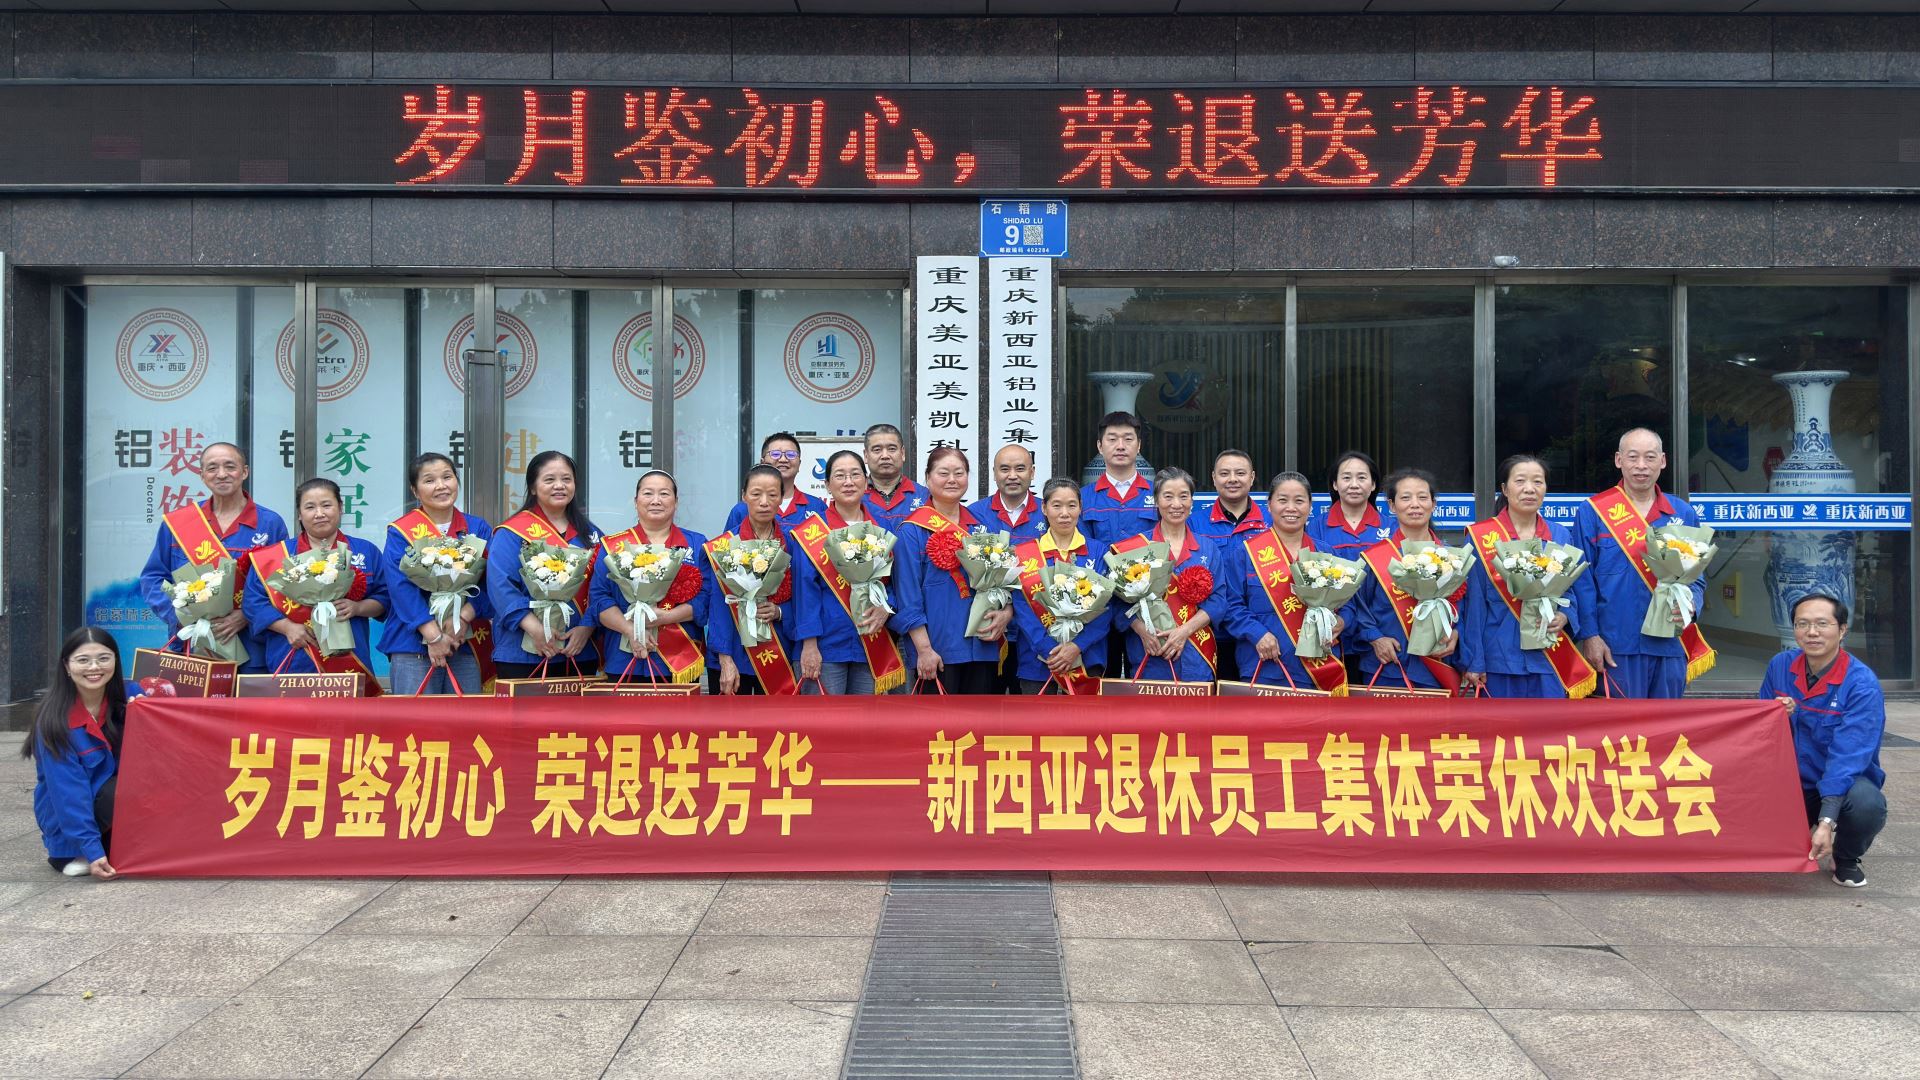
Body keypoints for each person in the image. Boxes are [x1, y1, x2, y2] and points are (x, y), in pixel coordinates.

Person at [1571, 427, 1714, 698]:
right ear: (1618, 460)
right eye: (1633, 457)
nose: (1641, 465)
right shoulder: (1593, 512)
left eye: (1650, 457)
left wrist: (1692, 604)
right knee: (1619, 724)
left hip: (1670, 643)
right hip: (1615, 645)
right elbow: (1582, 580)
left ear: (1663, 461)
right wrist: (1589, 635)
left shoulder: (1682, 513)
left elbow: (1696, 575)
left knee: (1666, 722)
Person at [1760, 593, 1890, 887]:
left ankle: (1845, 857)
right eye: (1802, 624)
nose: (1812, 632)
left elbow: (1848, 758)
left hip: (1841, 784)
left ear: (1842, 630)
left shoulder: (1861, 684)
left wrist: (1826, 822)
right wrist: (1776, 715)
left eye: (1822, 623)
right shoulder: (1780, 665)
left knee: (1867, 805)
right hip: (1790, 781)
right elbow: (1759, 732)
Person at [137, 441, 290, 673]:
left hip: (252, 650)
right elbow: (153, 578)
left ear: (244, 472)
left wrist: (246, 615)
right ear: (202, 475)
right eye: (212, 468)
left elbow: (282, 585)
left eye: (230, 466)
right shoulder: (179, 523)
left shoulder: (270, 523)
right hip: (191, 648)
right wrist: (181, 615)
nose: (221, 474)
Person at [1458, 455, 1595, 699]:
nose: (1529, 489)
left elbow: (1571, 591)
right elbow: (1474, 604)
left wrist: (1565, 615)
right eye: (1520, 481)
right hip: (1499, 659)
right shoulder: (1482, 538)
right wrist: (1475, 660)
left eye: (1538, 482)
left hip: (1549, 655)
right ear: (1505, 489)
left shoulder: (1560, 535)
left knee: (1551, 723)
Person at [244, 478, 389, 685]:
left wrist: (358, 608)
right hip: (293, 659)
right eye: (310, 507)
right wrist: (287, 627)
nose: (319, 513)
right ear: (299, 514)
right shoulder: (276, 556)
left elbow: (385, 597)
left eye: (326, 505)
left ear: (340, 508)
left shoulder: (365, 551)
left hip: (350, 662)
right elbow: (253, 602)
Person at [1219, 471, 1349, 693]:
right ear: (1269, 505)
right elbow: (1230, 605)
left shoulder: (1326, 553)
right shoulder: (1246, 553)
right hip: (1264, 665)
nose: (1291, 508)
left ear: (1310, 506)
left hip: (1319, 669)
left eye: (1299, 501)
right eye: (1282, 500)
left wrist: (1342, 621)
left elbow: (1349, 604)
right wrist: (1257, 634)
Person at [894, 448, 1009, 694]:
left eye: (959, 473)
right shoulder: (912, 531)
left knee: (979, 718)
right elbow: (907, 596)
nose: (952, 480)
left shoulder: (981, 527)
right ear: (928, 478)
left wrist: (1006, 613)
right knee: (938, 720)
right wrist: (924, 650)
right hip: (937, 650)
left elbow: (1003, 583)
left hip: (982, 645)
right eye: (943, 473)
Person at [790, 451, 905, 695]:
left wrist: (888, 607)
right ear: (827, 485)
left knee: (865, 718)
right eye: (840, 476)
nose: (848, 482)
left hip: (871, 642)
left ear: (866, 481)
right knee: (825, 717)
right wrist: (809, 645)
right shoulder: (812, 532)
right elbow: (804, 592)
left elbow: (897, 581)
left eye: (855, 475)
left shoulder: (883, 527)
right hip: (826, 646)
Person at [380, 453, 493, 695]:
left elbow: (491, 582)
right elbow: (400, 588)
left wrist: (463, 617)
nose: (441, 486)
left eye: (447, 477)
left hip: (465, 641)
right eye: (429, 480)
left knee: (467, 717)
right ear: (415, 490)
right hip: (412, 644)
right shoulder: (401, 532)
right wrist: (433, 636)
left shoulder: (477, 528)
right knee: (417, 717)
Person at [487, 451, 601, 679]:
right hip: (523, 651)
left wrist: (587, 627)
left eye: (566, 479)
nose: (559, 486)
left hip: (578, 650)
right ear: (533, 487)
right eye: (549, 479)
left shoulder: (591, 534)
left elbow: (602, 588)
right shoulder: (512, 532)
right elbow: (501, 586)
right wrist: (534, 628)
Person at [592, 470, 713, 685]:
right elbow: (599, 598)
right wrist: (631, 629)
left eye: (664, 494)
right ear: (635, 501)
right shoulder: (612, 546)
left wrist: (666, 617)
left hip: (679, 657)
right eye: (648, 493)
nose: (656, 500)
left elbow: (706, 597)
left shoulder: (695, 544)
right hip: (624, 655)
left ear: (676, 502)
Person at [22, 627, 125, 880]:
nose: (94, 667)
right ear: (67, 666)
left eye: (103, 658)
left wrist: (147, 709)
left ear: (115, 661)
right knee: (120, 787)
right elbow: (68, 792)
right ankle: (71, 853)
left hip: (110, 811)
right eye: (83, 660)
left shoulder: (127, 700)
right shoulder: (54, 722)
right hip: (69, 821)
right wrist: (91, 850)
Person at [708, 465, 818, 695]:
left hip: (779, 650)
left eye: (772, 495)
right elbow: (718, 605)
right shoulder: (724, 545)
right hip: (734, 652)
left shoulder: (793, 544)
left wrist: (780, 612)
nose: (764, 502)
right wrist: (725, 659)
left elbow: (804, 597)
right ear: (744, 496)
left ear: (781, 498)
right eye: (756, 494)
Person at [1114, 468, 1230, 683]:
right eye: (1168, 496)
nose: (1176, 504)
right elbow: (1118, 603)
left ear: (1192, 501)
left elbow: (1218, 600)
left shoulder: (1207, 548)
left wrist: (1184, 631)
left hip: (1196, 652)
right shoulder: (1136, 548)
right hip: (1150, 652)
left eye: (1183, 496)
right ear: (1156, 500)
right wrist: (1141, 630)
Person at [1353, 468, 1462, 692]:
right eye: (1405, 498)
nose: (1415, 505)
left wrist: (1458, 633)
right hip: (1387, 666)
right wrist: (1375, 638)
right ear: (1392, 506)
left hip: (1437, 666)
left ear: (1433, 504)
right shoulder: (1374, 558)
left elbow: (1466, 608)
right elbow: (1357, 608)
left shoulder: (1453, 558)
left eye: (1422, 497)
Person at [1009, 479, 1111, 694]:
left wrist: (1077, 646)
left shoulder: (1098, 552)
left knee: (1084, 718)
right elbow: (1022, 609)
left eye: (1071, 505)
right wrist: (1049, 650)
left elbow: (1107, 609)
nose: (1065, 513)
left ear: (1080, 508)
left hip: (1086, 659)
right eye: (1057, 505)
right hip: (1039, 662)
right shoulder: (1025, 554)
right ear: (1044, 508)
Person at [1190, 448, 1269, 681]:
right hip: (1209, 634)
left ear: (1252, 478)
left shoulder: (1272, 522)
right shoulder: (1194, 524)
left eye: (1240, 473)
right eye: (1224, 473)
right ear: (1214, 478)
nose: (1232, 479)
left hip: (1259, 635)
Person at [1079, 412, 1156, 545]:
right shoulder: (1083, 497)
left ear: (1138, 445)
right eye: (1112, 439)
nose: (1120, 446)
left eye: (1128, 439)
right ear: (1100, 446)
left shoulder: (1157, 493)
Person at [724, 432, 820, 534]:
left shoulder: (817, 507)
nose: (783, 459)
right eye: (775, 454)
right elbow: (727, 543)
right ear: (763, 462)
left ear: (799, 464)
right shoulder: (741, 510)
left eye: (791, 454)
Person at [1307, 450, 1396, 560]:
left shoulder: (1391, 526)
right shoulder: (1316, 527)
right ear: (1335, 484)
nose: (1354, 485)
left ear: (1373, 484)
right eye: (1346, 478)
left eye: (1361, 478)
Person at [969, 445, 1044, 544]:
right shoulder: (974, 513)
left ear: (1032, 472)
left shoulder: (1047, 511)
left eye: (1020, 469)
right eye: (1005, 469)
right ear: (995, 473)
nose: (1012, 476)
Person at [862, 423, 930, 531]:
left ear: (902, 453)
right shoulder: (855, 496)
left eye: (892, 449)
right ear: (866, 456)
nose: (885, 456)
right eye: (877, 450)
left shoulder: (924, 496)